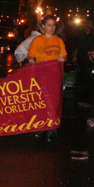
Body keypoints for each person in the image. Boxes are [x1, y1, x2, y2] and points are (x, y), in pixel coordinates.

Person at [27, 15, 66, 144]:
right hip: (41, 77)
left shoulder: (58, 40)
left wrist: (63, 59)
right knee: (42, 102)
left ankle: (52, 130)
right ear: (43, 27)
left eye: (53, 25)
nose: (52, 28)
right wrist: (31, 60)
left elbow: (64, 56)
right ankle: (39, 129)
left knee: (53, 103)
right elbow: (30, 55)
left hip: (54, 77)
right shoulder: (37, 40)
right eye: (49, 25)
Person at [72, 18, 94, 83]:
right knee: (82, 72)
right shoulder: (80, 34)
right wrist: (75, 56)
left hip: (91, 58)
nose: (92, 25)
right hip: (82, 56)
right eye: (90, 23)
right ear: (86, 24)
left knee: (90, 73)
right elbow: (77, 46)